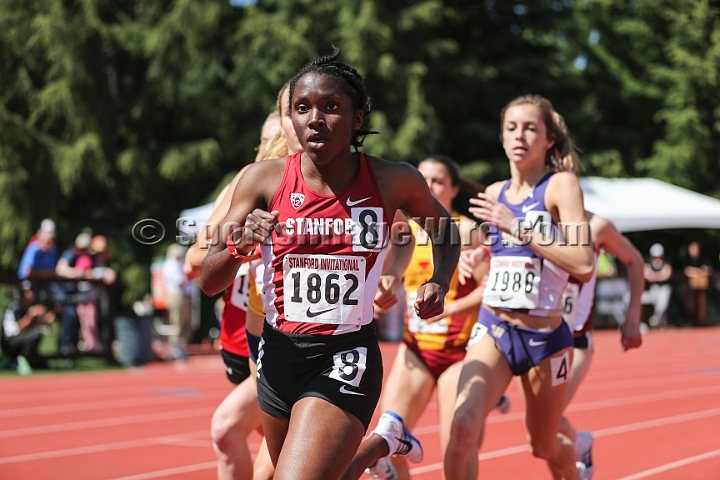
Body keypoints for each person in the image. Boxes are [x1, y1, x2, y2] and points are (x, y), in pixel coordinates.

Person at [200, 48, 460, 480]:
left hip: (346, 352)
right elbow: (210, 278)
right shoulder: (262, 179)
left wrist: (440, 279)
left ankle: (377, 442)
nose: (315, 119)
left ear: (358, 119)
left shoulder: (392, 180)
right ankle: (382, 442)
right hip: (277, 354)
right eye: (302, 108)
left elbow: (445, 230)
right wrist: (240, 246)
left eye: (331, 107)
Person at [444, 95, 594, 480]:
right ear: (501, 137)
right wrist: (472, 252)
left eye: (530, 128)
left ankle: (577, 464)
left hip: (545, 338)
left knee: (542, 445)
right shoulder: (495, 194)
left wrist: (516, 227)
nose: (520, 135)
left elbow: (583, 261)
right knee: (462, 427)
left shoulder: (561, 186)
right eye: (511, 128)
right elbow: (482, 238)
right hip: (495, 328)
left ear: (548, 139)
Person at [341, 155, 497, 480]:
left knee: (458, 441)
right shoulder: (402, 233)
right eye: (424, 179)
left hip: (459, 353)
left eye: (439, 180)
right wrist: (386, 291)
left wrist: (450, 306)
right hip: (415, 350)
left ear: (454, 188)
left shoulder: (466, 231)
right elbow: (385, 282)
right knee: (387, 430)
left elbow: (491, 291)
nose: (431, 186)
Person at [185, 104, 294, 480]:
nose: (269, 148)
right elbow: (195, 259)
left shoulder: (323, 179)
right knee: (285, 447)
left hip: (294, 339)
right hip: (243, 335)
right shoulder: (249, 181)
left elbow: (396, 227)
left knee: (240, 439)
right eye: (263, 141)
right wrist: (243, 247)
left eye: (277, 139)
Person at [1, 280, 56, 374]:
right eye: (28, 292)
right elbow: (19, 328)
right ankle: (21, 359)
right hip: (10, 342)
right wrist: (31, 315)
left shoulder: (31, 307)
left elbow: (44, 325)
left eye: (32, 291)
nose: (31, 294)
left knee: (42, 364)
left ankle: (14, 361)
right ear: (22, 294)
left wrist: (51, 313)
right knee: (36, 333)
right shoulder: (16, 308)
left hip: (22, 339)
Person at [161, 243, 192, 359]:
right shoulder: (171, 265)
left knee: (184, 322)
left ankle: (180, 345)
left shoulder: (177, 264)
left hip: (182, 296)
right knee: (177, 322)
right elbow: (179, 281)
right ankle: (175, 348)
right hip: (176, 295)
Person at [642, 243, 672, 328]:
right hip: (654, 288)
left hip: (664, 288)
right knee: (656, 305)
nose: (657, 259)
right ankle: (658, 322)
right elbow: (648, 276)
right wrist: (660, 276)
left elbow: (667, 275)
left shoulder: (666, 263)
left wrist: (655, 276)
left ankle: (657, 320)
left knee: (662, 306)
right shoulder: (648, 264)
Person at [683, 241, 712, 325]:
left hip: (701, 288)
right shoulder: (687, 260)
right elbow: (686, 270)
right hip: (689, 288)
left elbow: (708, 269)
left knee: (701, 305)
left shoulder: (704, 259)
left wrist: (703, 270)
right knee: (690, 305)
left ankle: (701, 321)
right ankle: (691, 320)